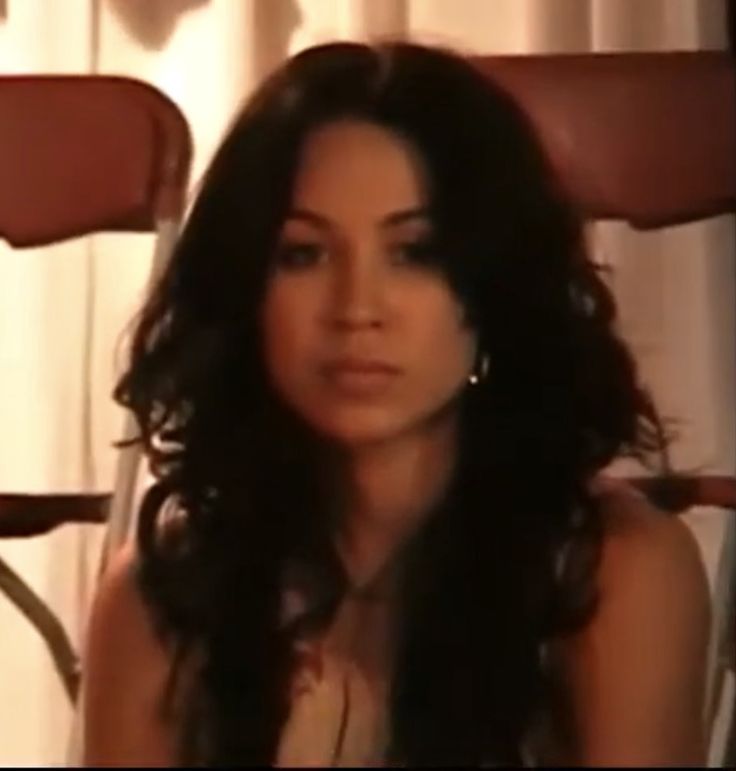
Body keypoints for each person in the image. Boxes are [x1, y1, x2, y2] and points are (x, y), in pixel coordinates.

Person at [81, 41, 711, 767]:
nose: (357, 309)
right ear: (246, 290)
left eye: (416, 252)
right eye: (304, 254)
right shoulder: (162, 593)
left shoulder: (614, 571)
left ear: (495, 284)